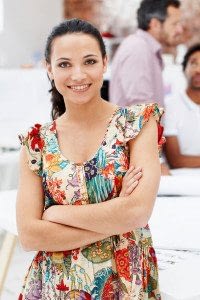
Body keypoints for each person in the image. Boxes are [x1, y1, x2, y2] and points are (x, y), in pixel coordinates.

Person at [17, 19, 164, 299]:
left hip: (124, 284)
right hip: (54, 286)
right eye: (64, 64)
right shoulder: (36, 142)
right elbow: (30, 235)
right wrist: (116, 215)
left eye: (89, 61)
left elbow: (137, 212)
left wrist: (58, 214)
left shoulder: (137, 124)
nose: (78, 74)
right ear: (48, 68)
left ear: (105, 62)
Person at [109, 0, 183, 107]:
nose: (180, 30)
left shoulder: (145, 48)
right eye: (174, 24)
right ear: (155, 24)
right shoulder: (138, 49)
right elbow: (141, 107)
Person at [164, 44, 200, 168]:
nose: (198, 70)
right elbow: (176, 161)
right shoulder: (171, 106)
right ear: (184, 69)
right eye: (193, 63)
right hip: (180, 180)